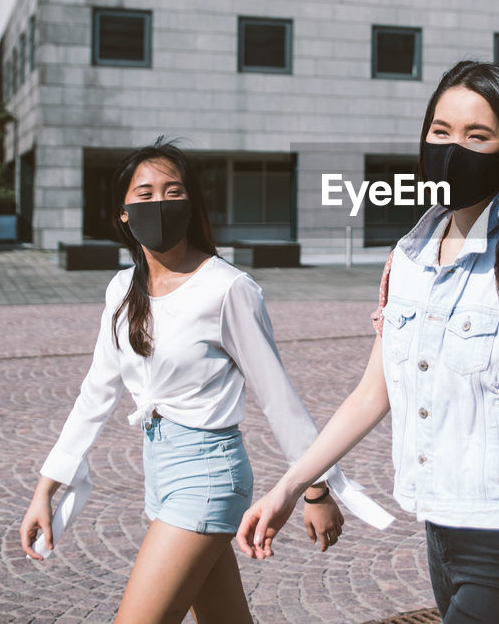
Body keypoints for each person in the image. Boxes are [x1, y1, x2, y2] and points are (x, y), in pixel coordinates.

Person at [235, 61, 499, 624]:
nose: (452, 148)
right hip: (440, 530)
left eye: (476, 136)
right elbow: (372, 394)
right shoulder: (407, 256)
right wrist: (291, 485)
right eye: (441, 131)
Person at [19, 139, 387, 623]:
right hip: (160, 470)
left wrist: (315, 490)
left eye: (173, 192)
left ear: (191, 205)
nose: (160, 204)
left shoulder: (228, 289)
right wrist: (46, 488)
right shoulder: (120, 290)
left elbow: (279, 400)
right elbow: (96, 392)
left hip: (209, 474)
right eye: (145, 194)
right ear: (123, 213)